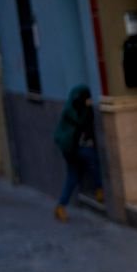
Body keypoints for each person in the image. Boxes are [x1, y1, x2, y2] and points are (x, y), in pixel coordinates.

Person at [53, 84, 103, 221]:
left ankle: (60, 206)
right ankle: (99, 189)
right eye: (87, 98)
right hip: (72, 149)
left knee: (73, 177)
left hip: (72, 149)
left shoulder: (77, 108)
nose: (89, 100)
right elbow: (80, 123)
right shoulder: (72, 111)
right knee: (91, 160)